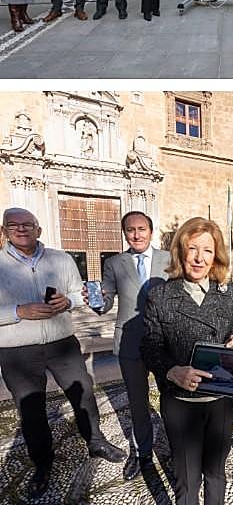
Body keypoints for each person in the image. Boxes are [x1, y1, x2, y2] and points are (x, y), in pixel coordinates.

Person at [0, 207, 124, 499]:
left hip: (62, 342)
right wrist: (19, 311)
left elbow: (79, 293)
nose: (21, 229)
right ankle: (43, 463)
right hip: (17, 351)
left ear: (38, 230)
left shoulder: (61, 259)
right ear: (4, 230)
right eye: (13, 225)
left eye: (28, 224)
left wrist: (67, 302)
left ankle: (95, 441)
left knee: (84, 395)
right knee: (31, 412)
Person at [141, 216, 233, 505]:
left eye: (208, 251)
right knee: (187, 479)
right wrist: (173, 371)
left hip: (222, 400)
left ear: (216, 256)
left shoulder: (230, 292)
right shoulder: (160, 295)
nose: (199, 258)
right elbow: (149, 346)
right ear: (180, 251)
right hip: (180, 403)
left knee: (215, 472)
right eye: (193, 248)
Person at [91, 210, 170, 479]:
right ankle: (142, 453)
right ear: (124, 232)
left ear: (150, 230)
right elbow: (107, 301)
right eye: (130, 230)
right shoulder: (114, 263)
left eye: (141, 229)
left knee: (171, 400)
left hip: (164, 343)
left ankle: (175, 450)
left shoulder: (168, 259)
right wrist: (97, 301)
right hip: (130, 343)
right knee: (138, 403)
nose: (136, 234)